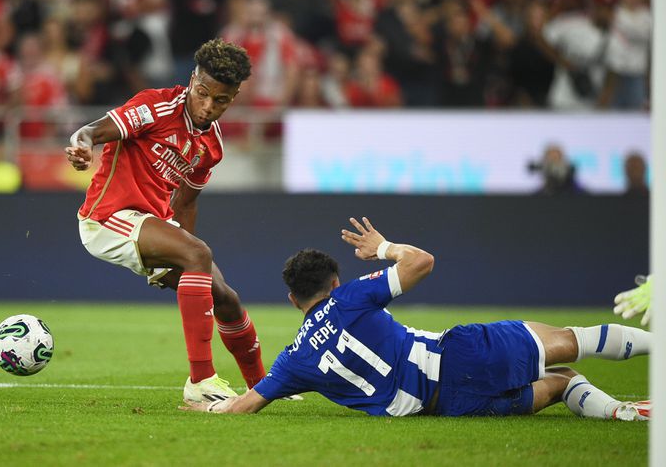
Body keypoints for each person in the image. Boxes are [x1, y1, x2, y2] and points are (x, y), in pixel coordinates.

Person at [181, 217, 650, 421]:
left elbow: (245, 406)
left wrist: (209, 408)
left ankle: (616, 413)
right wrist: (383, 248)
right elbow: (422, 261)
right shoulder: (351, 299)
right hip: (459, 356)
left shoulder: (293, 361)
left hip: (449, 406)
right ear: (336, 282)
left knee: (562, 383)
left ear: (291, 299)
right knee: (573, 340)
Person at [64, 38, 273, 402]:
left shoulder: (212, 146)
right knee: (198, 255)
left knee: (225, 297)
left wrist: (185, 258)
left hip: (151, 223)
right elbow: (91, 131)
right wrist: (83, 147)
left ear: (234, 97)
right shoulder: (155, 107)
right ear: (192, 79)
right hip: (107, 219)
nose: (208, 107)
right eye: (203, 93)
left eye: (221, 100)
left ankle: (265, 387)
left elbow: (186, 203)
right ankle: (200, 383)